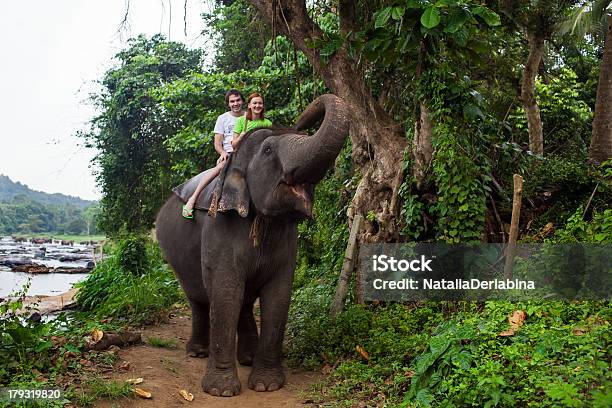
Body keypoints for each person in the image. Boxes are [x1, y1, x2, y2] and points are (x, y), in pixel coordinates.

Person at [181, 89, 245, 219]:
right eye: (232, 101)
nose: (235, 103)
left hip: (247, 155)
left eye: (238, 100)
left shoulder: (248, 117)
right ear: (228, 104)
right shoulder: (223, 118)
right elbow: (217, 143)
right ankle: (192, 199)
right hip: (229, 154)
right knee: (220, 168)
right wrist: (222, 153)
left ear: (243, 101)